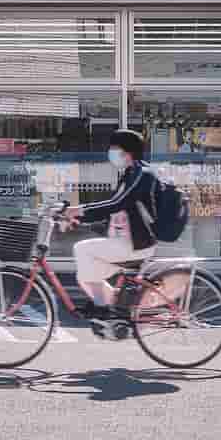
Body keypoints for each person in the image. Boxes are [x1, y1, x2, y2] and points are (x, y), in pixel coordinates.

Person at [62, 128, 158, 323]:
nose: (111, 153)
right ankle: (114, 306)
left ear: (126, 151)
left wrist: (79, 209)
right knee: (85, 274)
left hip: (136, 244)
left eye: (114, 148)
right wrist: (79, 218)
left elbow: (116, 204)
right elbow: (114, 211)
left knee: (82, 251)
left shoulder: (141, 173)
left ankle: (104, 306)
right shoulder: (129, 173)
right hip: (125, 241)